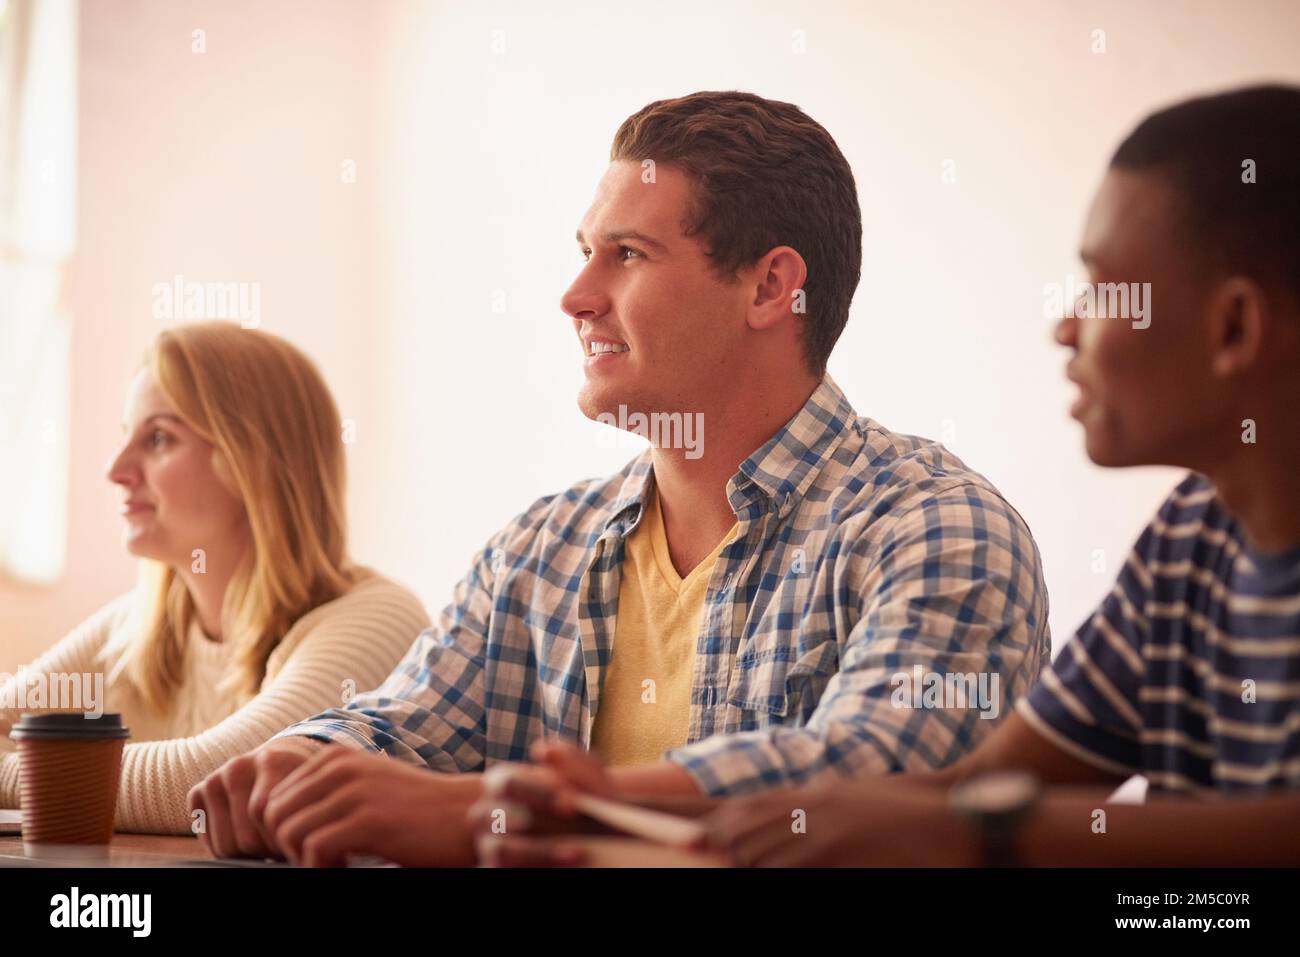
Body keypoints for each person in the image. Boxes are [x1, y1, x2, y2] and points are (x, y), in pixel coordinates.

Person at [190, 90, 1050, 867]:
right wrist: (302, 764)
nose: (576, 295)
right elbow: (405, 722)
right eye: (585, 253)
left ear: (770, 287)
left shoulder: (938, 527)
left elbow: (869, 772)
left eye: (628, 254)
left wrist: (494, 813)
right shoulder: (541, 545)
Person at [474, 84, 1300, 867]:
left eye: (1105, 287)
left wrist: (982, 831)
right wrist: (598, 800)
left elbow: (959, 803)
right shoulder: (1191, 541)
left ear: (1234, 327)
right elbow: (965, 790)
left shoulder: (934, 520)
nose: (1065, 324)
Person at [0, 322, 430, 834]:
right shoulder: (133, 627)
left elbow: (223, 779)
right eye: (126, 437)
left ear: (254, 462)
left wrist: (38, 773)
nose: (116, 469)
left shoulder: (379, 619)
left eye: (158, 438)